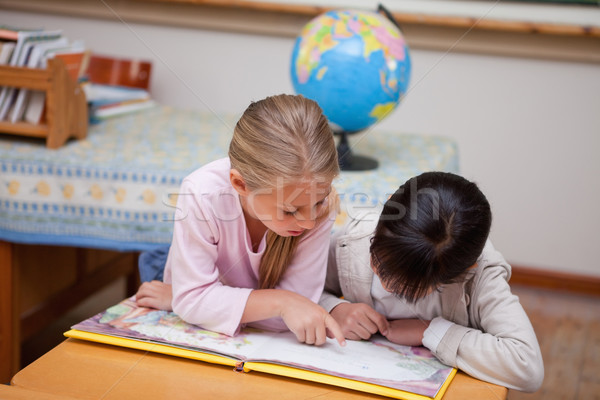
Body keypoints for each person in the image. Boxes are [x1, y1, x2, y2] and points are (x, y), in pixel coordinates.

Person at [136, 94, 345, 347]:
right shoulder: (201, 193)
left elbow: (298, 313)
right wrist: (282, 303)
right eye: (289, 211)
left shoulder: (319, 206)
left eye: (318, 202)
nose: (310, 222)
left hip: (208, 284)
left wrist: (197, 303)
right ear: (240, 184)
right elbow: (292, 308)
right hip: (180, 271)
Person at [319, 171, 544, 392]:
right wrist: (334, 308)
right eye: (379, 262)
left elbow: (527, 366)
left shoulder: (481, 277)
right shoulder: (355, 238)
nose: (386, 286)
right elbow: (302, 290)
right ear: (387, 207)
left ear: (465, 271)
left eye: (406, 288)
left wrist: (430, 331)